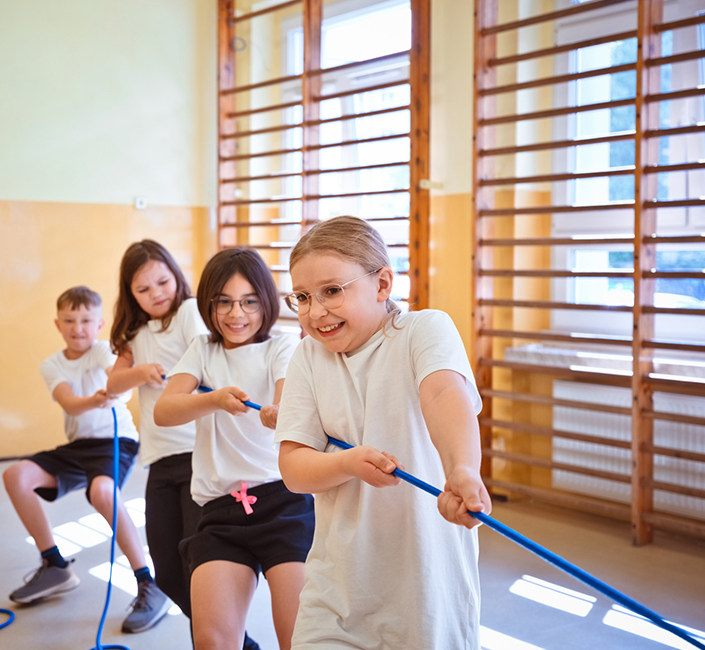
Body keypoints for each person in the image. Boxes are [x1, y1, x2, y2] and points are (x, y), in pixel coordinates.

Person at [274, 216, 493, 649]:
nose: (316, 311)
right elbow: (294, 469)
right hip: (336, 589)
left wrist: (463, 469)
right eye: (302, 297)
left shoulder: (423, 330)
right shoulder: (306, 357)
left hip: (426, 587)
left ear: (382, 284)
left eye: (332, 291)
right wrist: (348, 463)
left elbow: (444, 394)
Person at [154, 248, 314, 650]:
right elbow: (164, 411)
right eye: (223, 301)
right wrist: (215, 399)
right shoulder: (203, 351)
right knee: (211, 640)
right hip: (221, 511)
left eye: (248, 301)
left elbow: (284, 395)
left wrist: (280, 410)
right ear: (208, 304)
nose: (235, 313)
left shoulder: (281, 346)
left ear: (266, 302)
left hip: (285, 504)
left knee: (298, 635)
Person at [1, 286, 169, 635]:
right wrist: (93, 400)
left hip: (117, 442)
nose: (78, 327)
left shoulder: (106, 352)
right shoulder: (52, 364)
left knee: (103, 494)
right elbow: (69, 403)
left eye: (86, 320)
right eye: (70, 320)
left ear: (99, 324)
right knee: (16, 476)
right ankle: (54, 564)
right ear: (57, 324)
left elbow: (117, 382)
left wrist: (118, 386)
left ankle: (146, 581)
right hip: (78, 447)